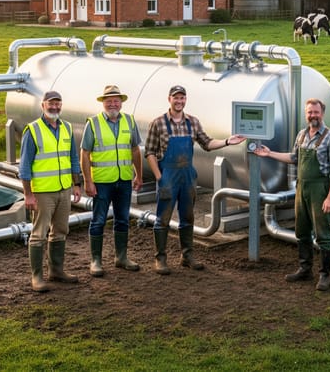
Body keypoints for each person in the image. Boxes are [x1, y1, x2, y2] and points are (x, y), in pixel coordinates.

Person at [145, 84, 245, 275]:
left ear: (185, 100)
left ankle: (187, 256)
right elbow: (149, 152)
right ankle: (160, 258)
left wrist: (226, 141)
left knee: (188, 217)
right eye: (176, 97)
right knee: (163, 218)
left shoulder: (193, 122)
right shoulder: (157, 123)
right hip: (167, 175)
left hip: (187, 176)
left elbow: (207, 143)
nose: (179, 101)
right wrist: (159, 177)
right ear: (169, 99)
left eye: (182, 98)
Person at [253, 98, 330, 291]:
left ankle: (325, 275)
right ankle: (305, 269)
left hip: (321, 190)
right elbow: (294, 158)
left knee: (323, 235)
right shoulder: (302, 135)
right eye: (309, 112)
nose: (313, 115)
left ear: (323, 113)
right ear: (306, 114)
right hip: (302, 189)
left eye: (316, 112)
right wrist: (269, 153)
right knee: (301, 231)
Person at [19, 90, 82, 293]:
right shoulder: (33, 130)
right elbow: (25, 166)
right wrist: (28, 194)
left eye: (58, 103)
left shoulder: (67, 128)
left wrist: (77, 184)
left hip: (64, 190)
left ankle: (56, 270)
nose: (55, 107)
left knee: (61, 231)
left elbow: (73, 158)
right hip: (42, 192)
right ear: (43, 105)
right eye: (51, 103)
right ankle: (37, 277)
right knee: (38, 234)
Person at [80, 85, 143, 277]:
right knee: (98, 220)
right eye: (109, 101)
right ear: (103, 103)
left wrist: (138, 175)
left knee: (123, 219)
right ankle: (96, 261)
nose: (113, 104)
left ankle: (121, 258)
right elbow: (85, 153)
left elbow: (134, 150)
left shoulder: (130, 121)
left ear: (121, 103)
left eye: (116, 100)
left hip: (123, 179)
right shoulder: (93, 123)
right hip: (101, 181)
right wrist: (87, 181)